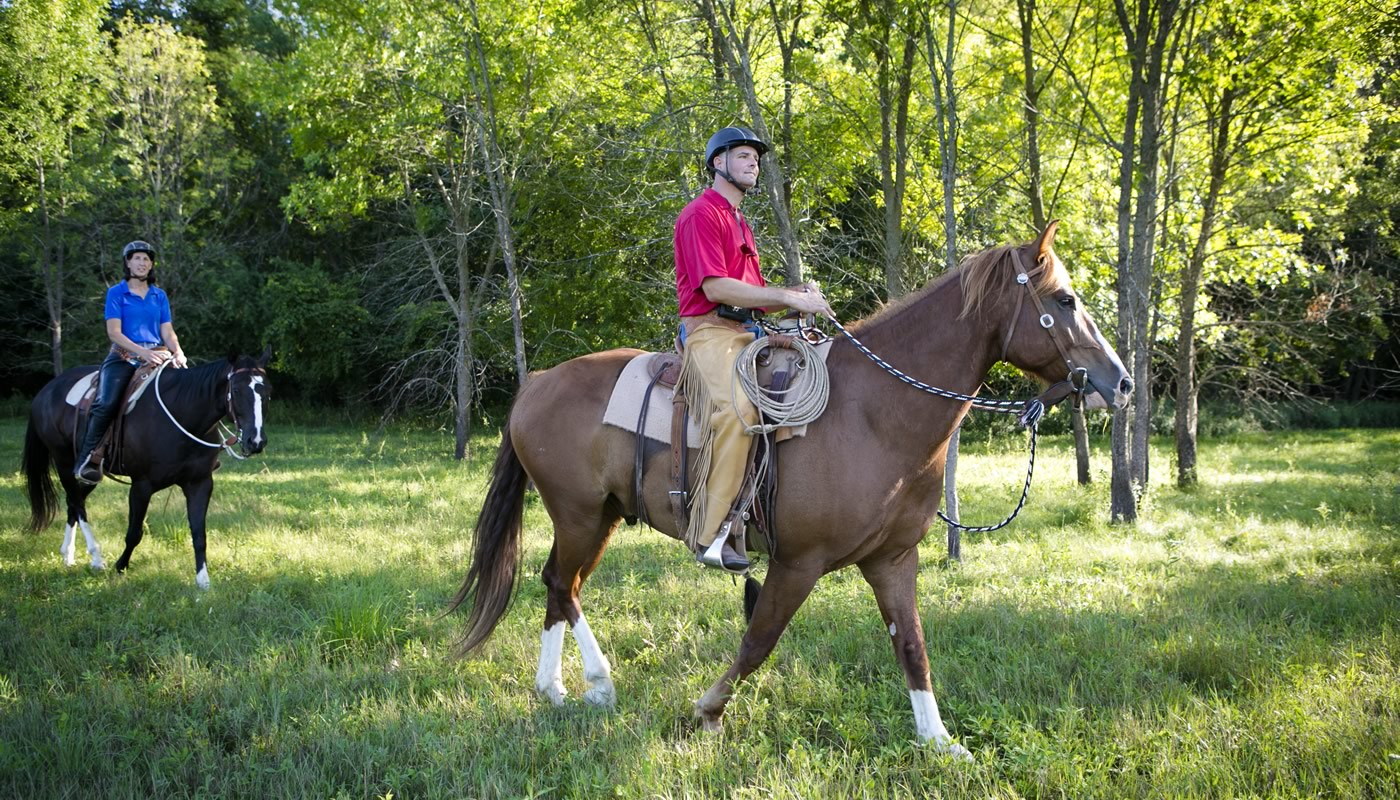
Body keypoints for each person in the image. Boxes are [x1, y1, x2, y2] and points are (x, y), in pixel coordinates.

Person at [674, 126, 833, 572]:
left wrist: (794, 294)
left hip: (746, 332)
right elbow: (715, 286)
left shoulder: (740, 220)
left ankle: (771, 512)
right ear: (718, 162)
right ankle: (710, 533)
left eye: (756, 159)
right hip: (708, 332)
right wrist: (786, 297)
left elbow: (751, 291)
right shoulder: (700, 214)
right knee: (739, 411)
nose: (753, 164)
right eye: (743, 156)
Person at [74, 240, 188, 484]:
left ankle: (196, 454)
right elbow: (114, 332)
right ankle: (87, 459)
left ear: (151, 265)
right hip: (124, 357)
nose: (142, 263)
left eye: (146, 259)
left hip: (158, 356)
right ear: (127, 262)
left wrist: (178, 351)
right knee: (106, 403)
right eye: (137, 258)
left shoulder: (159, 295)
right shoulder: (117, 293)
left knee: (189, 391)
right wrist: (142, 353)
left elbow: (167, 332)